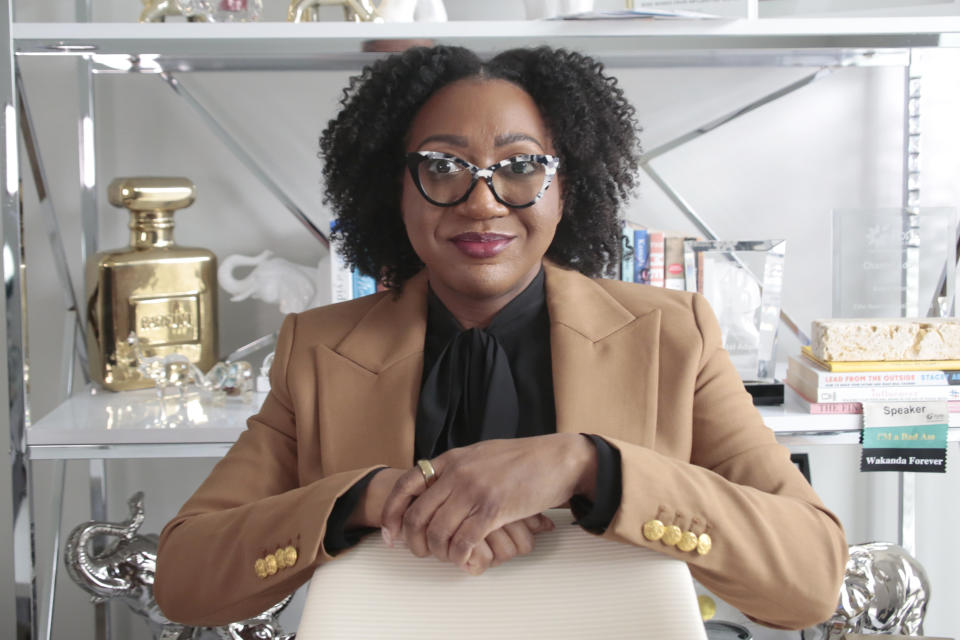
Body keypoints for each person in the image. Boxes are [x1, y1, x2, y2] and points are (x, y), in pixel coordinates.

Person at [155, 45, 847, 631]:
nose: (482, 201)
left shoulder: (672, 337)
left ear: (565, 188)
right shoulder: (318, 351)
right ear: (395, 190)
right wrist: (364, 498)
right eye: (443, 167)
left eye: (519, 167)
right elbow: (185, 578)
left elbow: (811, 575)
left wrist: (591, 467)